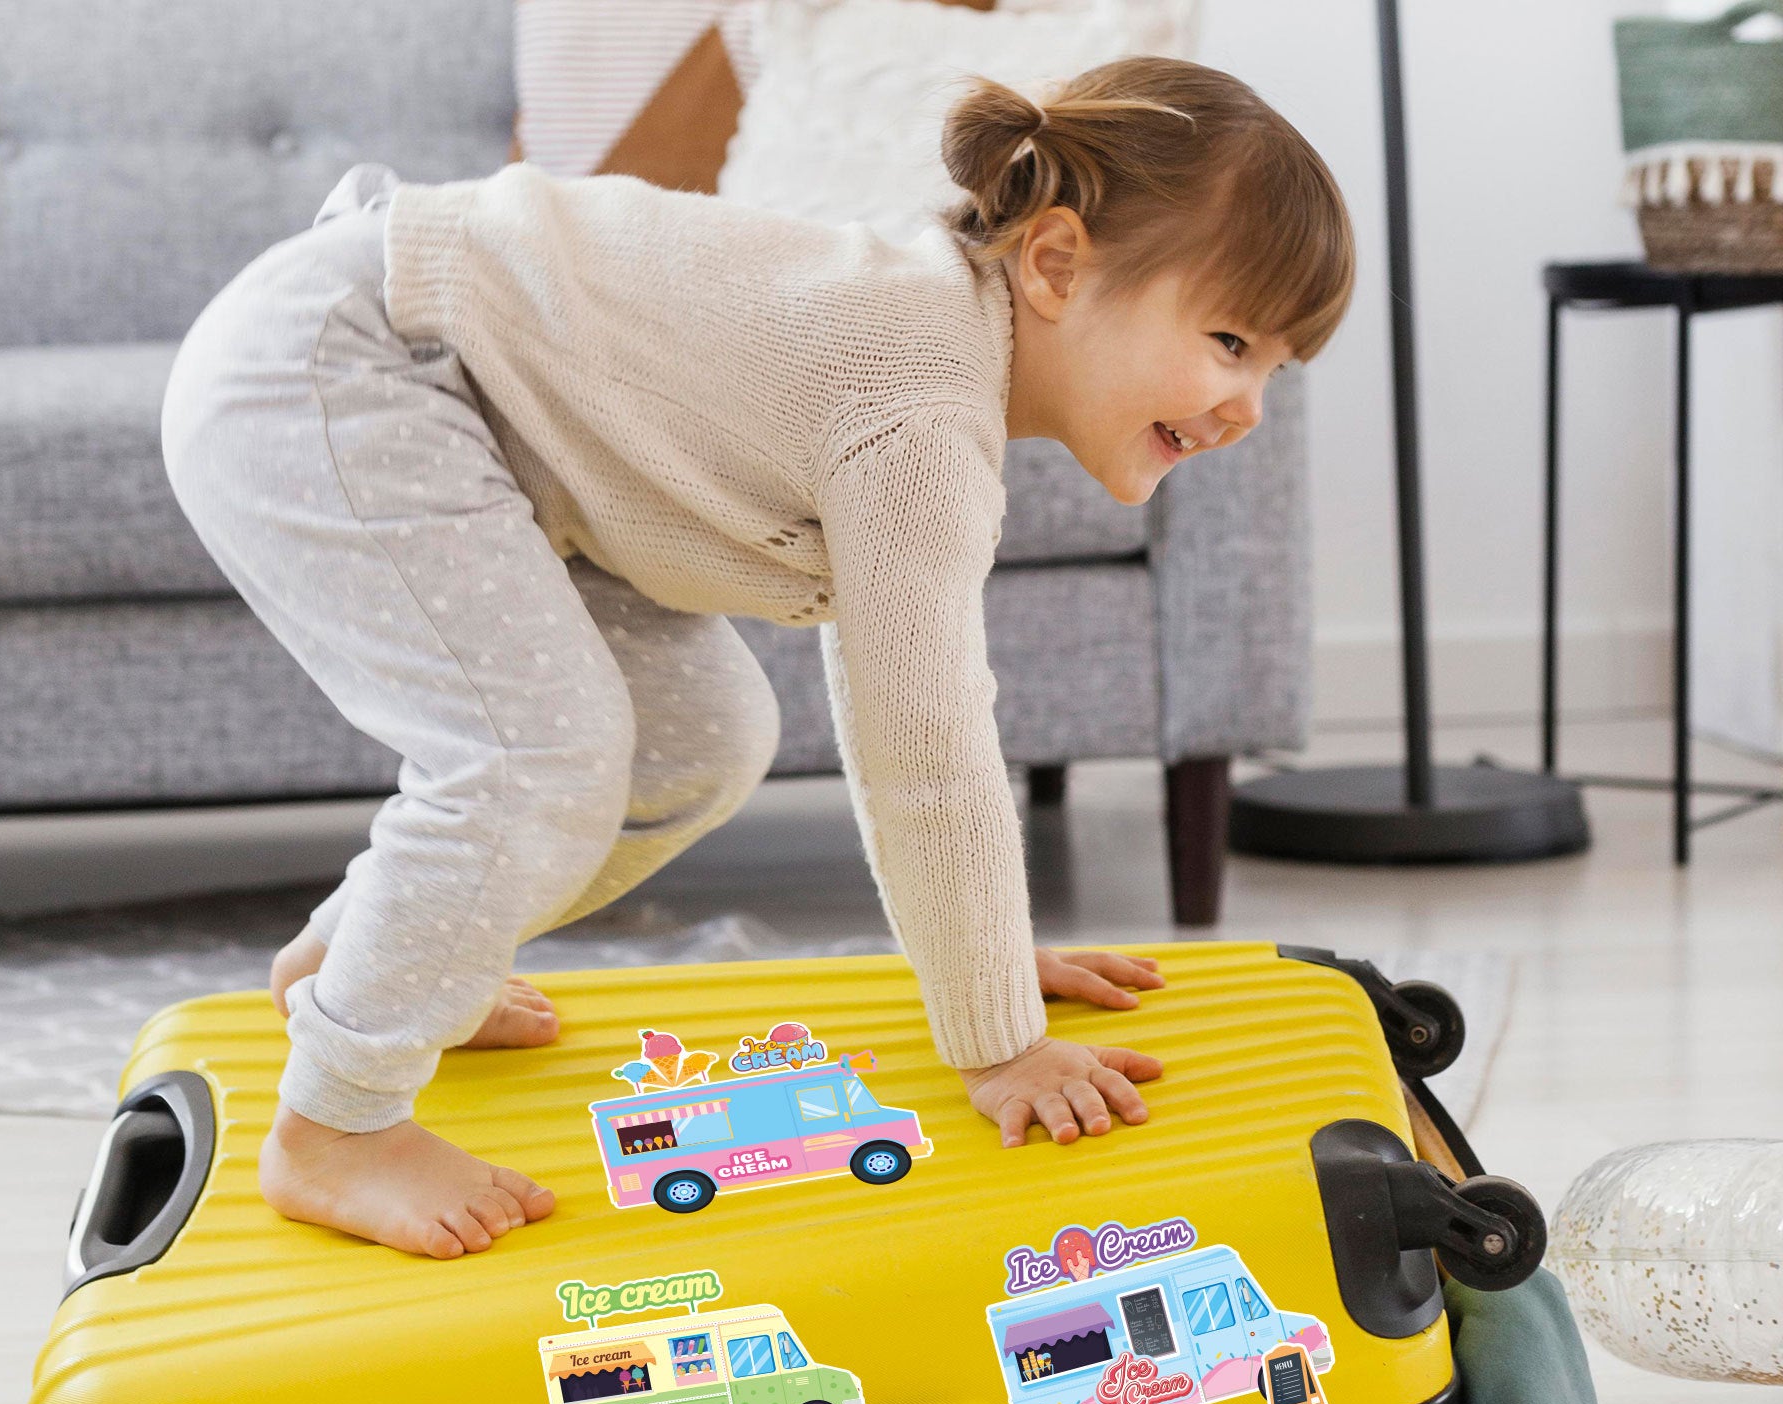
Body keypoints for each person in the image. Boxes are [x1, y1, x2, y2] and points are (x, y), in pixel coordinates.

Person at [160, 56, 1354, 1260]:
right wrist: (1001, 1044)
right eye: (1227, 340)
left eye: (1273, 366)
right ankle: (337, 1125)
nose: (1248, 404)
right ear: (1053, 264)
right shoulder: (923, 411)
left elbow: (900, 718)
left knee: (701, 745)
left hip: (476, 418)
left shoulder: (932, 363)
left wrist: (984, 959)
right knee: (539, 757)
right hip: (348, 360)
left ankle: (370, 963)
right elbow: (925, 756)